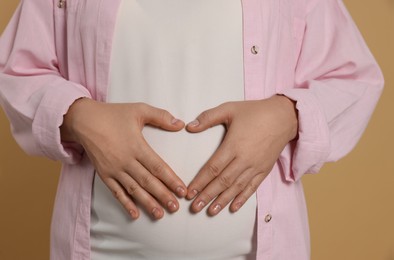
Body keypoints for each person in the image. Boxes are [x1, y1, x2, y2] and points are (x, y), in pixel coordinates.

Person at [0, 0, 383, 259]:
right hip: (100, 249)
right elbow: (17, 69)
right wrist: (78, 117)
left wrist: (287, 115)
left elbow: (353, 79)